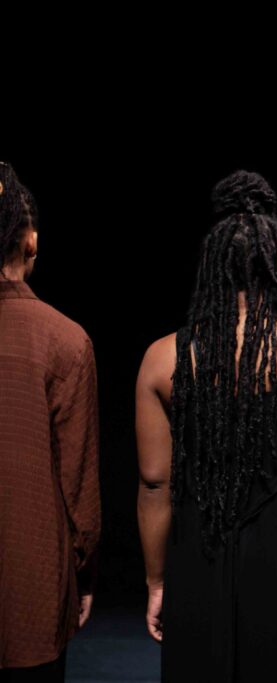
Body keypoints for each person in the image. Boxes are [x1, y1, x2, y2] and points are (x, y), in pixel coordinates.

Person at [135, 171, 277, 682]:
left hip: (199, 558)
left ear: (211, 268)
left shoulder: (162, 359)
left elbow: (155, 483)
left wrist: (156, 582)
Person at [0, 162, 100, 682]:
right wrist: (82, 576)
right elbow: (78, 487)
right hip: (31, 586)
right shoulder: (65, 340)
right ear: (31, 241)